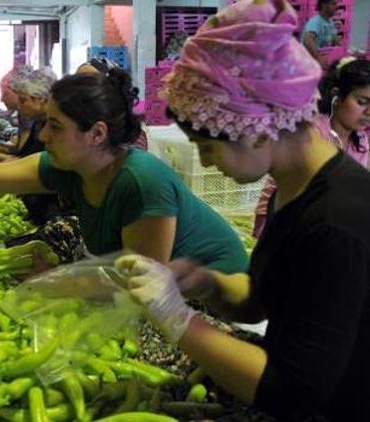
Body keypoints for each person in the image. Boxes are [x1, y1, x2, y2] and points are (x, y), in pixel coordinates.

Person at [119, 1, 370, 420]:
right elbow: (262, 300)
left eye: (208, 148)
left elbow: (293, 390)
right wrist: (204, 282)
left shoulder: (337, 221)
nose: (208, 162)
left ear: (254, 131)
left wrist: (177, 320)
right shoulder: (293, 190)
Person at [0, 68, 248, 274]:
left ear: (96, 134)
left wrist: (55, 285)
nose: (43, 135)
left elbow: (145, 282)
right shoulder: (72, 166)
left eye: (56, 126)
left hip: (211, 299)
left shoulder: (139, 180)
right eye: (45, 122)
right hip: (156, 287)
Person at [252, 57, 370, 237]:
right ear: (336, 96)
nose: (369, 112)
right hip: (285, 224)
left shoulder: (361, 141)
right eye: (362, 102)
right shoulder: (311, 135)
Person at [75, 57, 149, 151]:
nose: (78, 92)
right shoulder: (72, 127)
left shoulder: (132, 137)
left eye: (89, 85)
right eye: (75, 84)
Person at [301, 0, 339, 68]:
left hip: (325, 59)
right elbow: (307, 40)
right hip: (311, 63)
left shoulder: (330, 22)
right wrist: (318, 57)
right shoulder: (315, 22)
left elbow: (335, 40)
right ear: (323, 5)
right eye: (333, 4)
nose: (336, 7)